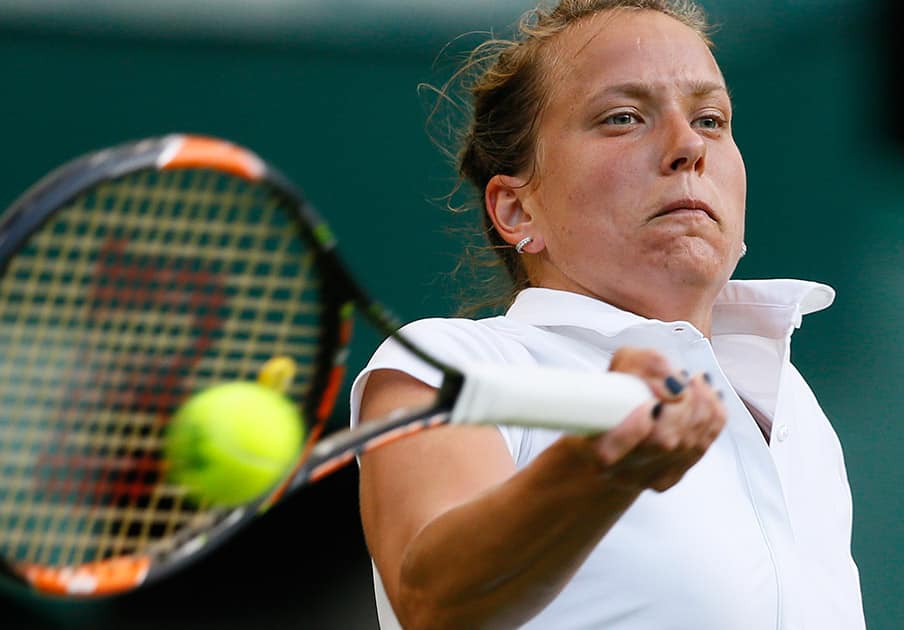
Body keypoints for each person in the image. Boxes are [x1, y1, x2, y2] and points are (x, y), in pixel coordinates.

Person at [348, 1, 867, 628]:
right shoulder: (453, 362)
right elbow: (434, 603)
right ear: (517, 210)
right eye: (623, 118)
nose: (688, 147)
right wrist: (596, 472)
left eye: (711, 119)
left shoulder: (797, 411)